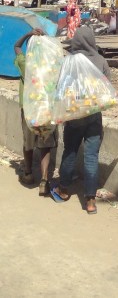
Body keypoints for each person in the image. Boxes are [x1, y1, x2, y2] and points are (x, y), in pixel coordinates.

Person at [51, 26, 111, 214]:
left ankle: (63, 190)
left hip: (75, 114)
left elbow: (60, 86)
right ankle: (91, 201)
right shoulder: (100, 60)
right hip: (94, 114)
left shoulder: (69, 61)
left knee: (70, 151)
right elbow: (107, 86)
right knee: (91, 156)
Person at [14, 28, 58, 196]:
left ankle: (28, 174)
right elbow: (56, 50)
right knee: (45, 145)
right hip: (46, 110)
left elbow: (16, 46)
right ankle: (44, 180)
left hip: (29, 111)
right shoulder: (50, 65)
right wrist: (45, 37)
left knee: (28, 143)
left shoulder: (26, 63)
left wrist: (28, 34)